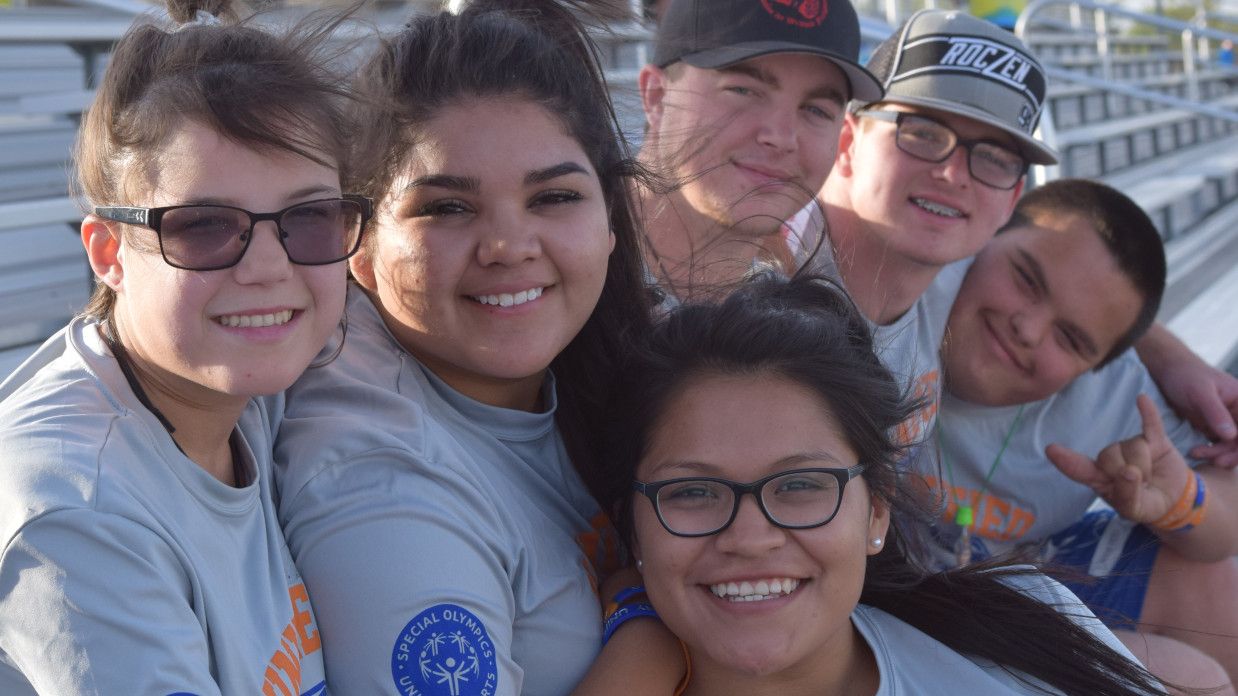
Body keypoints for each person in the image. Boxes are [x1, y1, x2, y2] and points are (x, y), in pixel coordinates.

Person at [271, 2, 676, 694]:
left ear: (612, 221)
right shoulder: (383, 488)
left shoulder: (590, 376)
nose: (509, 247)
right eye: (447, 208)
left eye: (553, 197)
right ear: (358, 248)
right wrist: (649, 630)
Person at [0, 1, 367, 692]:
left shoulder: (249, 385)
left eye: (310, 218)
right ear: (108, 253)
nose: (267, 267)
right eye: (204, 227)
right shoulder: (79, 515)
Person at [601, 272, 1166, 695]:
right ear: (634, 523)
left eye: (801, 485)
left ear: (877, 510)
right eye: (693, 493)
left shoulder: (1029, 621)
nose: (750, 538)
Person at [921, 179, 1238, 691]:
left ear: (1098, 364)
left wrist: (1180, 500)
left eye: (1070, 338)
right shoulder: (910, 288)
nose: (1028, 328)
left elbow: (1228, 519)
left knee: (1217, 589)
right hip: (865, 581)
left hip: (999, 580)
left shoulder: (1116, 393)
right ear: (985, 234)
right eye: (1026, 280)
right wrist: (1169, 349)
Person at [636, 0, 881, 304]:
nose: (781, 137)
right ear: (657, 97)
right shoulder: (570, 267)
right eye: (743, 90)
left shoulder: (793, 317)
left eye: (816, 110)